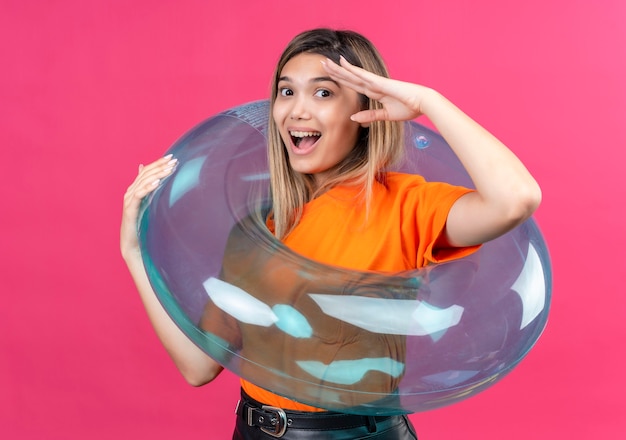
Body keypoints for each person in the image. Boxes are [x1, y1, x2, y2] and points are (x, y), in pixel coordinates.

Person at [121, 28, 541, 439]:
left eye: (323, 93)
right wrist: (135, 253)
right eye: (287, 92)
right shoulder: (260, 230)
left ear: (364, 113)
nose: (298, 111)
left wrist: (428, 101)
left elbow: (515, 199)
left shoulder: (404, 205)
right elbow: (198, 367)